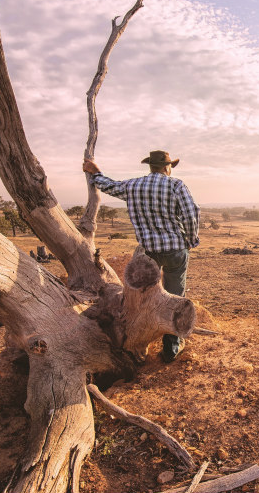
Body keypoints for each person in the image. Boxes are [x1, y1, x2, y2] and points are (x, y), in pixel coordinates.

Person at [82, 150, 200, 362]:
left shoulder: (133, 185)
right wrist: (191, 240)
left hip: (149, 254)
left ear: (151, 166)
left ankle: (139, 338)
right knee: (175, 294)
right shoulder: (176, 185)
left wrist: (95, 172)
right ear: (167, 167)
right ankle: (171, 348)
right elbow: (192, 214)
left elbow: (108, 185)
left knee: (147, 297)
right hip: (175, 250)